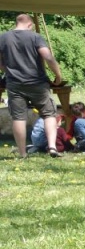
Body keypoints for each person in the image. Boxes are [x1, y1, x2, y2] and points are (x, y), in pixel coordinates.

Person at [0, 14, 65, 158]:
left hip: (14, 84)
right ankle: (52, 147)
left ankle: (23, 154)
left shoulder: (3, 37)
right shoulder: (35, 37)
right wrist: (58, 76)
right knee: (49, 114)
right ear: (30, 24)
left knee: (18, 118)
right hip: (38, 83)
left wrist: (7, 70)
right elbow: (48, 57)